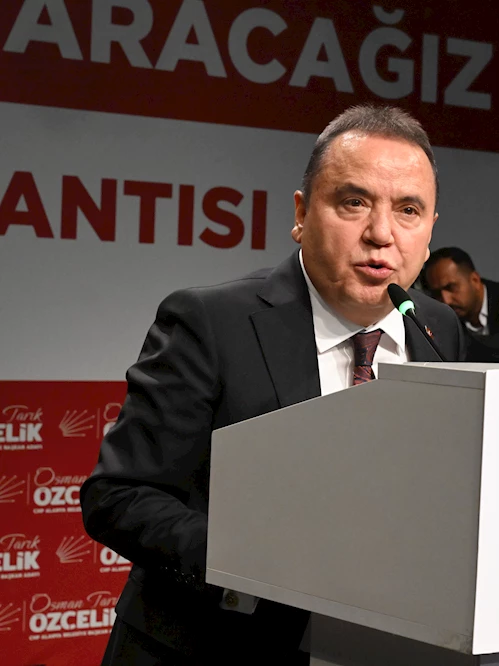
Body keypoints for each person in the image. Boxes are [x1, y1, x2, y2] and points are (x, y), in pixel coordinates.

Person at [80, 106, 465, 665]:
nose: (381, 234)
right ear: (302, 214)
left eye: (408, 210)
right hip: (213, 646)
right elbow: (118, 496)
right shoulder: (211, 322)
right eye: (354, 202)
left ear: (430, 230)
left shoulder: (437, 329)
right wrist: (256, 564)